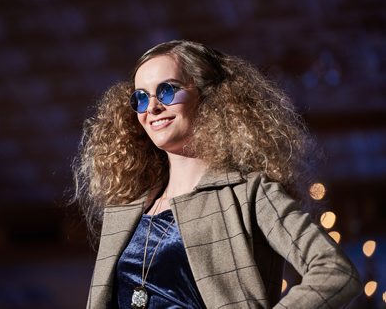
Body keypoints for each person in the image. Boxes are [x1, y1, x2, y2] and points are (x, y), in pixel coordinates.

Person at [72, 40, 361, 308]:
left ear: (210, 97)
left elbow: (336, 273)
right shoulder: (123, 209)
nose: (154, 107)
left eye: (167, 90)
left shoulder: (250, 193)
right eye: (141, 98)